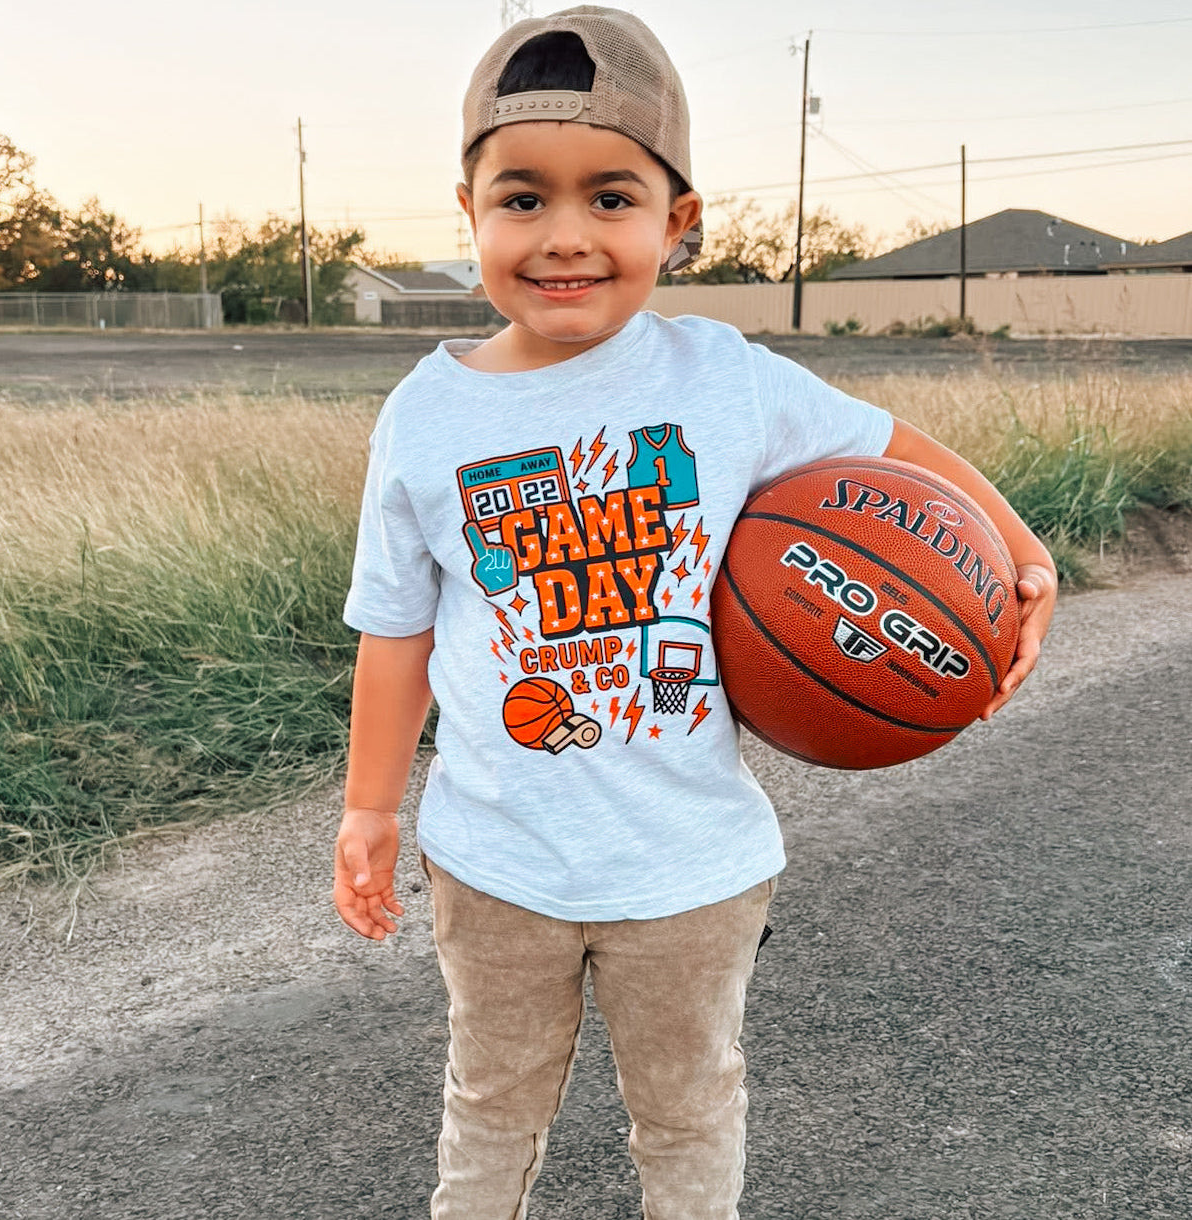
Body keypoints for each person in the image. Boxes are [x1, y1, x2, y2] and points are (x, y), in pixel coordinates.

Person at [334, 8, 1058, 1218]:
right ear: (467, 212)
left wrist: (1021, 550)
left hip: (692, 866)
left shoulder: (722, 378)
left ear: (677, 223)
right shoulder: (426, 415)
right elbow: (395, 626)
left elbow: (897, 449)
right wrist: (367, 805)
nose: (564, 235)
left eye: (609, 198)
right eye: (522, 198)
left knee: (688, 1104)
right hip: (494, 856)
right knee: (489, 1102)